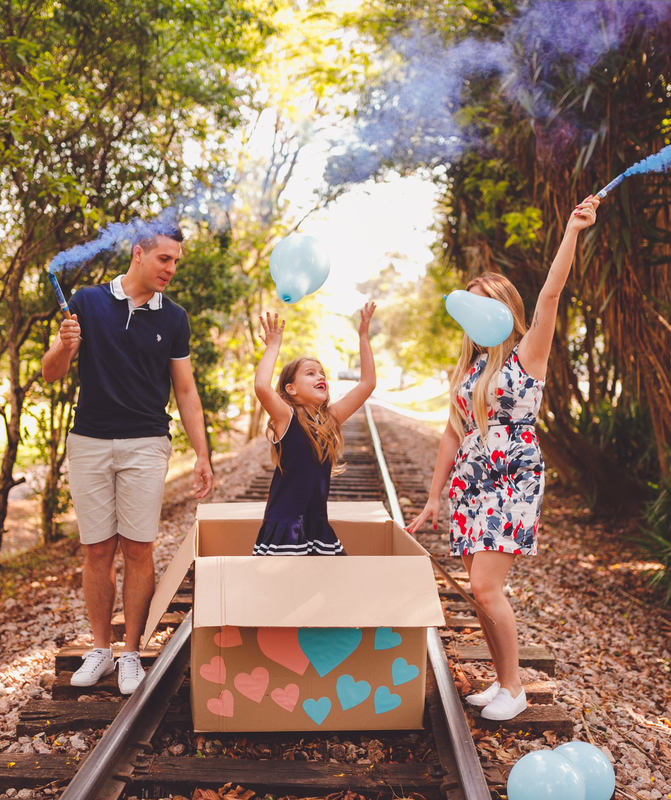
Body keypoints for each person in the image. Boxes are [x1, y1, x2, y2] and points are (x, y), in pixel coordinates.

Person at [407, 195, 599, 721]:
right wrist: (433, 495)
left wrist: (572, 231)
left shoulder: (527, 352)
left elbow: (552, 296)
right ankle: (501, 681)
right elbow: (452, 432)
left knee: (488, 587)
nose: (473, 316)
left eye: (483, 305)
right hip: (472, 478)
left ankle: (514, 688)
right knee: (477, 589)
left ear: (503, 310)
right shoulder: (469, 369)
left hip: (511, 476)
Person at [42, 224, 214, 694]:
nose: (171, 270)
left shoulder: (174, 318)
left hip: (146, 443)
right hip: (89, 441)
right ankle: (100, 650)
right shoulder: (87, 302)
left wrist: (203, 453)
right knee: (97, 548)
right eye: (165, 260)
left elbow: (185, 391)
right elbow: (49, 373)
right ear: (139, 254)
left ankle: (132, 653)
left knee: (138, 547)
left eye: (176, 261)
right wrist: (64, 344)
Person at [251, 302, 377, 555]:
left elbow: (367, 383)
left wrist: (363, 335)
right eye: (310, 373)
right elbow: (262, 387)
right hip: (286, 526)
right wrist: (273, 346)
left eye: (322, 374)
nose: (321, 377)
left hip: (316, 525)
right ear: (291, 389)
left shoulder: (329, 419)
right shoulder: (286, 418)